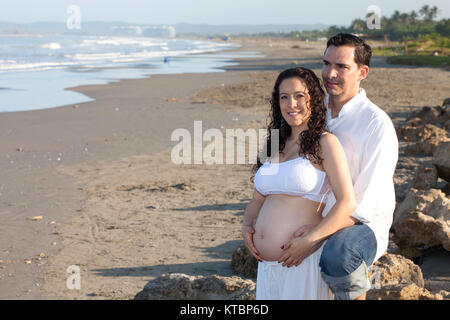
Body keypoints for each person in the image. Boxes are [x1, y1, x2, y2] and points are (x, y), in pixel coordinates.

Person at [276, 33, 399, 300]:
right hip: (319, 215)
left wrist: (315, 236)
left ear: (362, 72)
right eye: (327, 63)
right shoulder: (312, 114)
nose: (330, 73)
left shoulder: (375, 124)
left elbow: (362, 205)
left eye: (342, 66)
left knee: (339, 254)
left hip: (361, 225)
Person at [242, 67, 357, 299]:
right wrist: (246, 226)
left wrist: (310, 240)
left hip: (302, 262)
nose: (291, 104)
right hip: (267, 268)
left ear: (313, 99)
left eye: (299, 96)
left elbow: (346, 202)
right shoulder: (275, 144)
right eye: (284, 97)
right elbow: (257, 199)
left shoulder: (324, 143)